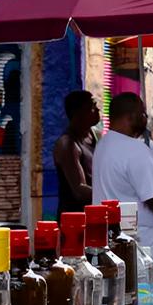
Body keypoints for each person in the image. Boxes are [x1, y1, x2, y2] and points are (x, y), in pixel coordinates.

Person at [92, 93, 153, 264]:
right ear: (131, 116)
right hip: (141, 250)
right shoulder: (137, 151)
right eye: (143, 114)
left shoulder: (103, 145)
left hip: (112, 241)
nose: (146, 119)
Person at [54, 90, 100, 218]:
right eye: (92, 107)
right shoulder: (67, 144)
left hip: (95, 216)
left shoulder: (96, 135)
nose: (98, 110)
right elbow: (79, 190)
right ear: (77, 113)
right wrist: (110, 193)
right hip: (74, 219)